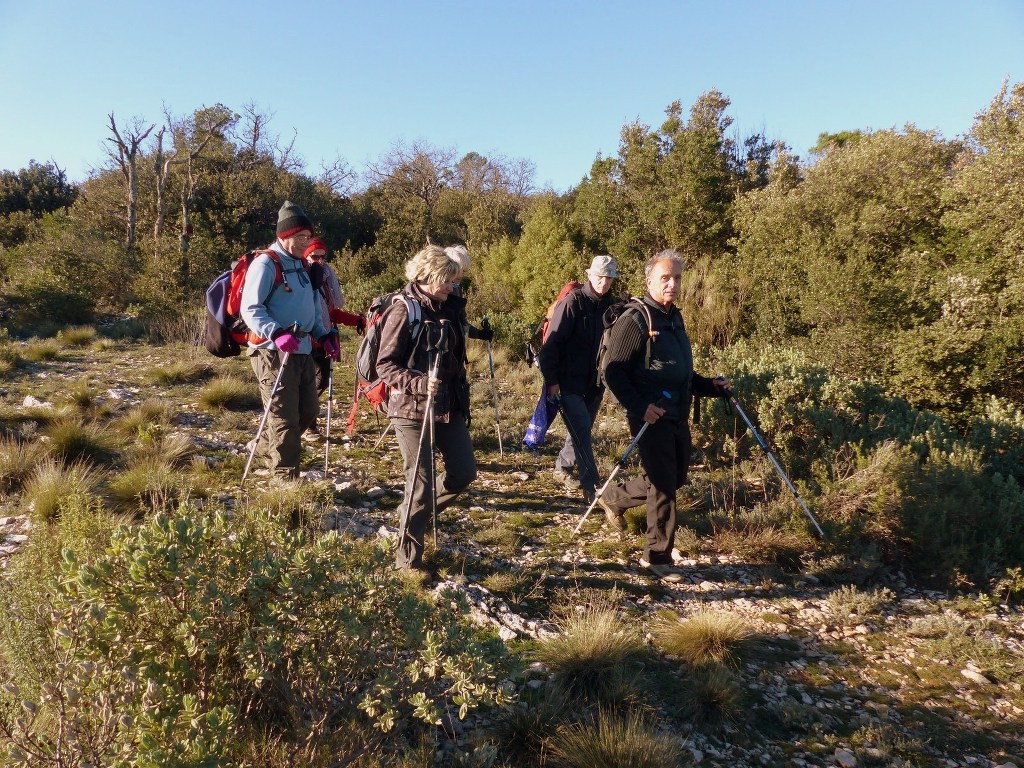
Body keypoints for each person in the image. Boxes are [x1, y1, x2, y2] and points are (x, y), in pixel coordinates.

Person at [595, 249, 730, 582]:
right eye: (665, 278)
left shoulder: (674, 318)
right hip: (649, 415)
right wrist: (641, 407)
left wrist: (710, 385)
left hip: (677, 412)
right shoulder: (636, 319)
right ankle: (657, 557)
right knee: (665, 485)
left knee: (674, 478)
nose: (672, 284)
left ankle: (613, 497)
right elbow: (614, 372)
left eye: (677, 278)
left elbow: (681, 373)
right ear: (649, 280)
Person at [376, 244, 476, 579]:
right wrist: (419, 384)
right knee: (419, 484)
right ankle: (407, 562)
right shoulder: (404, 310)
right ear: (427, 276)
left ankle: (414, 515)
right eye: (447, 280)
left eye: (454, 280)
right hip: (411, 409)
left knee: (464, 473)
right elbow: (385, 365)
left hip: (449, 405)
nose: (453, 286)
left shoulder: (449, 307)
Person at [240, 200, 339, 480]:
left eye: (307, 237)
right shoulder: (266, 264)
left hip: (303, 348)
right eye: (300, 237)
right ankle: (285, 478)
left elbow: (312, 308)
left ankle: (262, 446)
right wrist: (276, 332)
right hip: (272, 351)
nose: (305, 243)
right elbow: (250, 308)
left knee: (308, 410)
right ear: (284, 236)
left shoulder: (304, 266)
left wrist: (324, 334)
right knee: (284, 416)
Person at [538, 255, 619, 503]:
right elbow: (550, 346)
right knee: (582, 430)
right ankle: (593, 489)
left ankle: (562, 468)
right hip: (568, 381)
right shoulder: (573, 302)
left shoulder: (612, 306)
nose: (604, 282)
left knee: (580, 430)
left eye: (609, 278)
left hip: (595, 382)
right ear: (590, 275)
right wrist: (552, 381)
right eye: (600, 277)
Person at [303, 237, 365, 437]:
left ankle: (305, 421)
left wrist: (357, 320)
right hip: (305, 340)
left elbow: (331, 312)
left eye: (322, 256)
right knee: (311, 383)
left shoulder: (326, 280)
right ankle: (308, 425)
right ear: (307, 256)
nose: (320, 261)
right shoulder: (304, 280)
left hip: (324, 339)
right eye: (314, 256)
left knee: (321, 382)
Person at [444, 244, 493, 343]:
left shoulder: (457, 290)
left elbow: (463, 324)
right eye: (460, 270)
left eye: (464, 271)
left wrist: (480, 334)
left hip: (455, 352)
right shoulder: (436, 295)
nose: (462, 274)